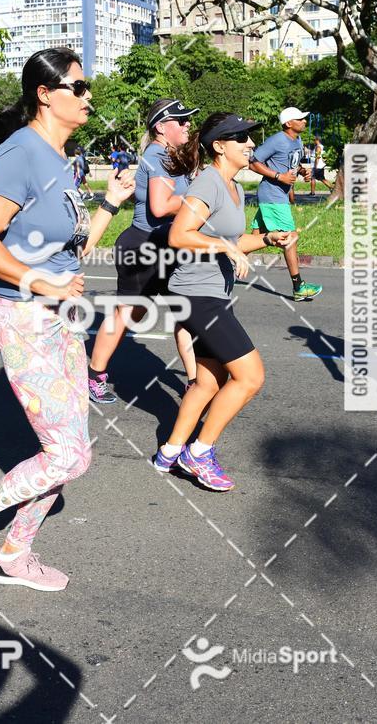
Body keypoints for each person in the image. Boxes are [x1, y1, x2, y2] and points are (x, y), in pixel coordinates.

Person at [0, 47, 134, 591]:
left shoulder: (64, 160)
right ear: (45, 95)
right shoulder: (19, 154)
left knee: (73, 455)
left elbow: (70, 249)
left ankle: (13, 554)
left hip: (60, 311)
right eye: (79, 86)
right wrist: (39, 282)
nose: (88, 95)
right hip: (24, 312)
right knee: (67, 454)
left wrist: (110, 205)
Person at [153, 113, 291, 488]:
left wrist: (266, 239)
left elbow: (231, 242)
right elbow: (180, 235)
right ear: (219, 146)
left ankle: (168, 453)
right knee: (250, 377)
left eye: (250, 138)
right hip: (198, 296)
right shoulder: (209, 183)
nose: (250, 144)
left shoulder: (234, 188)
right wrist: (222, 248)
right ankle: (199, 453)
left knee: (208, 382)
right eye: (242, 138)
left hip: (211, 293)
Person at [88, 98, 198, 403]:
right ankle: (94, 375)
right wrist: (198, 198)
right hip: (144, 245)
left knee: (183, 312)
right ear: (162, 127)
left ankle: (194, 382)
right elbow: (160, 207)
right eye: (181, 120)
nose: (188, 124)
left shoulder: (167, 155)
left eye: (188, 119)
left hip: (166, 245)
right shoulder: (159, 154)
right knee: (129, 312)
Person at [248, 106, 322, 301]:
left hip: (276, 196)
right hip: (273, 196)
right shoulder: (277, 140)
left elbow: (291, 163)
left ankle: (224, 260)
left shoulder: (296, 140)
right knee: (290, 238)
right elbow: (252, 162)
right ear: (288, 123)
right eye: (300, 119)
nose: (304, 121)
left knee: (254, 239)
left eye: (304, 119)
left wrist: (302, 171)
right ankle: (298, 287)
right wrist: (278, 176)